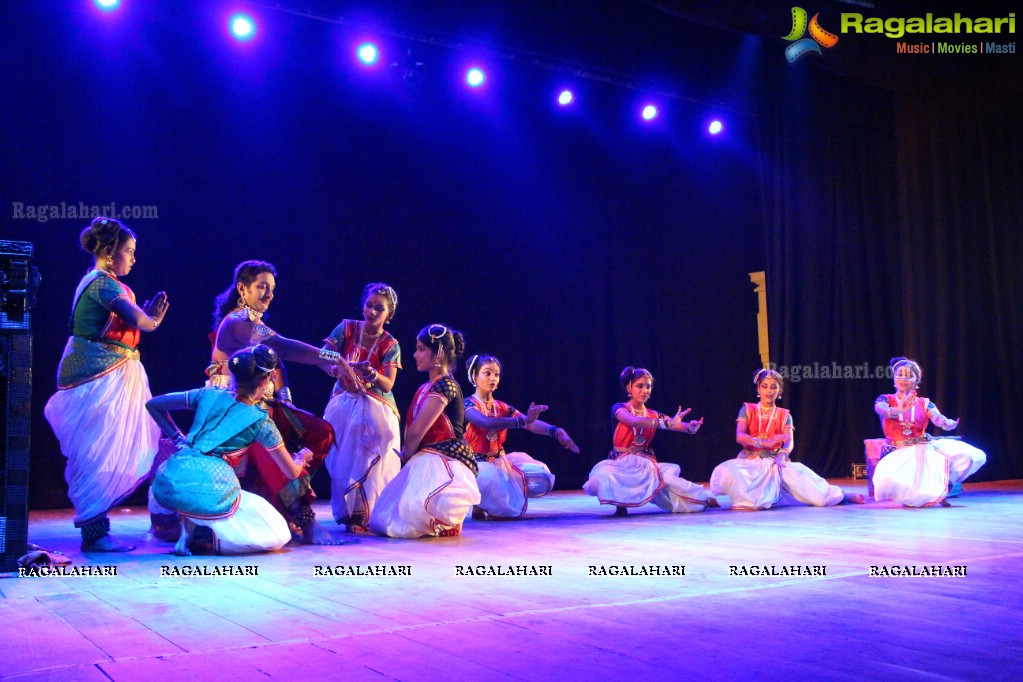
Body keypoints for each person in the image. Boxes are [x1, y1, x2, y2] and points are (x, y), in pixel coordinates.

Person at [44, 217, 169, 551]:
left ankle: (97, 530)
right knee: (98, 452)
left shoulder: (106, 282)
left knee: (107, 449)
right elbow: (141, 321)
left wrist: (145, 316)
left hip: (109, 374)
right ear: (110, 251)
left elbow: (129, 323)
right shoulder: (102, 283)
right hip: (95, 376)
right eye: (128, 252)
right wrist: (152, 317)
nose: (133, 258)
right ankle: (95, 533)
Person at [199, 260, 339, 544]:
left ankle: (279, 501)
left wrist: (285, 397)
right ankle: (304, 518)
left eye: (272, 288)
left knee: (320, 433)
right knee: (270, 452)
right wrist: (335, 358)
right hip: (239, 416)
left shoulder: (257, 325)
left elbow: (276, 361)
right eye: (262, 287)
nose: (268, 293)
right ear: (243, 289)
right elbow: (283, 346)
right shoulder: (236, 322)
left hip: (266, 408)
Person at [148, 345, 310, 555]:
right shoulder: (261, 421)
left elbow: (153, 405)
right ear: (266, 380)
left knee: (196, 489)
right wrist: (302, 457)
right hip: (213, 482)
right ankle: (205, 536)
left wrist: (178, 438)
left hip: (174, 474)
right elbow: (291, 472)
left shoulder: (207, 394)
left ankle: (188, 530)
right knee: (276, 531)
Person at [369, 325, 480, 538]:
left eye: (421, 349)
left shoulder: (445, 386)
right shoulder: (427, 387)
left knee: (408, 517)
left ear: (438, 353)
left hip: (445, 459)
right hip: (425, 457)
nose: (415, 355)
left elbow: (417, 430)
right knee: (386, 520)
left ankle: (446, 518)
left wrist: (407, 453)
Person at [710, 368, 864, 511]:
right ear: (758, 389)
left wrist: (782, 455)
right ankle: (707, 500)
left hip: (775, 462)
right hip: (749, 461)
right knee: (729, 472)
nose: (769, 391)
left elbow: (789, 442)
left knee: (818, 495)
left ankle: (842, 495)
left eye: (773, 387)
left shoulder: (784, 415)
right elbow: (740, 436)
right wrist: (765, 443)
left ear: (779, 390)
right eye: (764, 386)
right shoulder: (747, 410)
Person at [321, 283, 402, 533]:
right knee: (344, 454)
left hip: (377, 403)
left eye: (380, 308)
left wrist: (371, 373)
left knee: (371, 455)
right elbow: (323, 355)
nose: (372, 311)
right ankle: (347, 512)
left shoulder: (390, 344)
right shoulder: (346, 328)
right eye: (369, 305)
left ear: (389, 314)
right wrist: (337, 370)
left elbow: (388, 383)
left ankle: (362, 514)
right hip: (345, 400)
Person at [583, 366, 716, 515]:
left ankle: (702, 499)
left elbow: (674, 424)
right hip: (621, 460)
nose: (645, 390)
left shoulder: (653, 414)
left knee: (672, 483)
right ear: (629, 388)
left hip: (645, 462)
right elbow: (633, 421)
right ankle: (621, 506)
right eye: (640, 386)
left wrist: (690, 427)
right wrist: (665, 423)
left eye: (648, 386)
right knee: (607, 476)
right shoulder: (619, 408)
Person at [463, 354, 579, 519]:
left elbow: (530, 424)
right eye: (487, 373)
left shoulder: (502, 406)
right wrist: (522, 421)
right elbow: (486, 423)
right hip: (475, 464)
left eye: (496, 374)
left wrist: (556, 431)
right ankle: (479, 504)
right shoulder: (468, 404)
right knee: (496, 489)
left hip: (498, 461)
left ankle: (485, 503)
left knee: (540, 475)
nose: (493, 378)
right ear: (474, 377)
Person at [871, 357, 986, 507]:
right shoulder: (885, 399)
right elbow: (881, 411)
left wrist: (947, 424)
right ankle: (924, 492)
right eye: (900, 374)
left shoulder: (924, 403)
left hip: (921, 449)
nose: (903, 378)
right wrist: (899, 409)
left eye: (909, 375)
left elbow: (937, 417)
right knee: (893, 483)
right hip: (896, 452)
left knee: (972, 456)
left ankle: (945, 485)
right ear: (894, 378)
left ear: (916, 380)